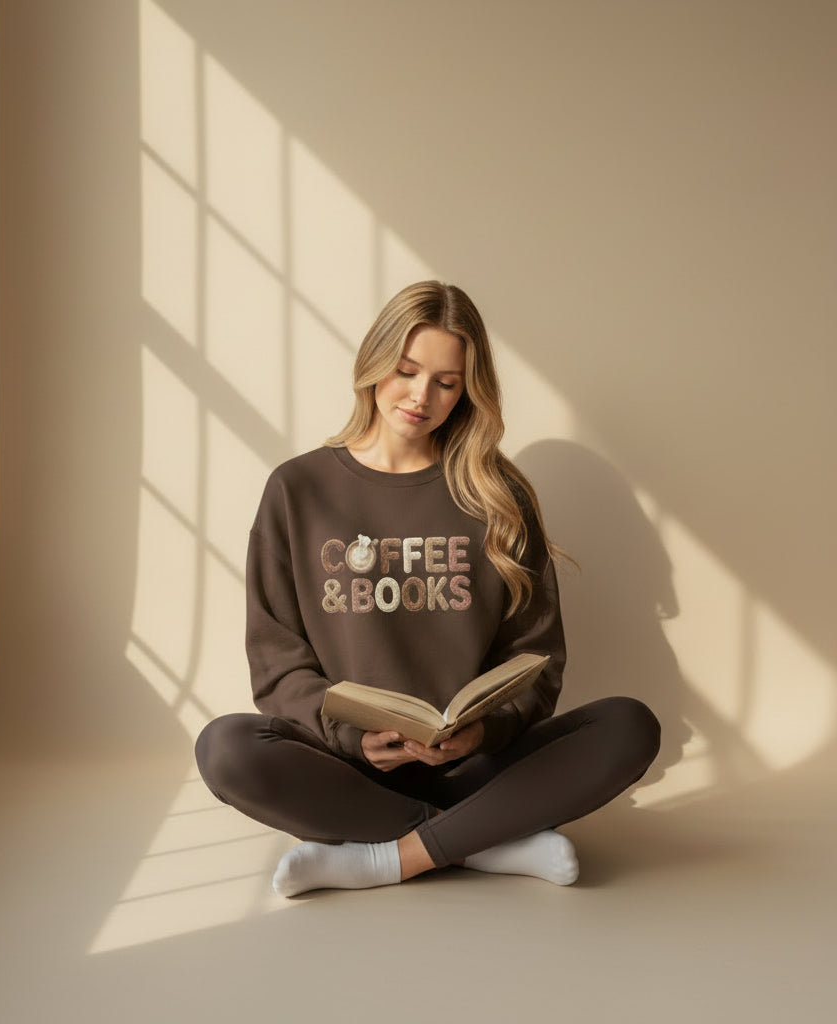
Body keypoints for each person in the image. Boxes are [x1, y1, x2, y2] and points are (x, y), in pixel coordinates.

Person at [196, 281, 660, 897]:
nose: (421, 396)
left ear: (468, 389)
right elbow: (278, 662)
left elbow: (537, 660)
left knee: (630, 726)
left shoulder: (497, 495)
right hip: (349, 770)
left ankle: (386, 857)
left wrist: (481, 732)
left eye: (446, 381)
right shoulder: (297, 490)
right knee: (225, 748)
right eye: (408, 370)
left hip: (476, 769)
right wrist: (353, 738)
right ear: (374, 363)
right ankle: (481, 843)